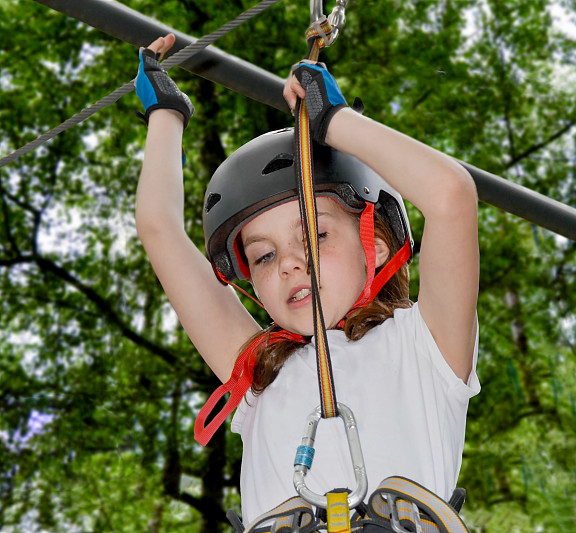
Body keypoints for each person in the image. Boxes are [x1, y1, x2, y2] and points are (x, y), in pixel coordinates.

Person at [135, 34, 480, 526]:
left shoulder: (425, 346)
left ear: (376, 244)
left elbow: (451, 195)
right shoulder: (258, 374)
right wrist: (165, 114)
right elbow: (160, 230)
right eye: (264, 256)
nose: (289, 265)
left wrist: (336, 122)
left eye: (314, 234)